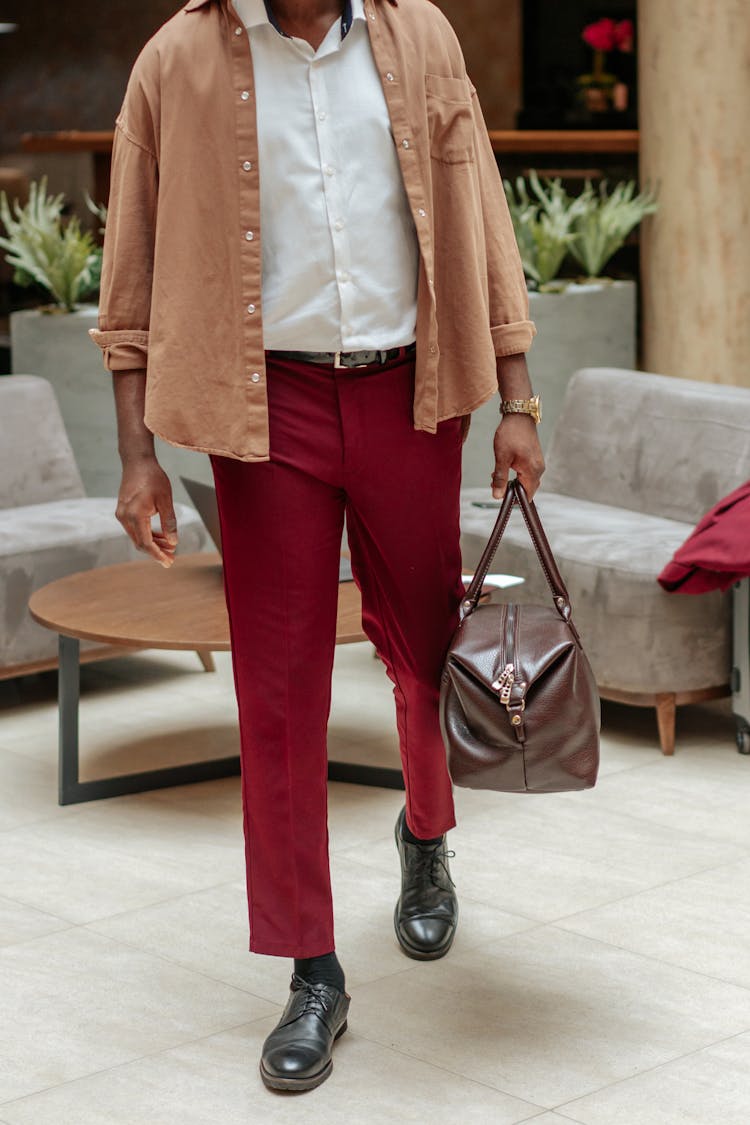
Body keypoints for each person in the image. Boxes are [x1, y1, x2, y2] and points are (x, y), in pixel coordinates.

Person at [91, 0, 545, 1094]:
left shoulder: (422, 36)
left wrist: (518, 397)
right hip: (265, 408)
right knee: (279, 690)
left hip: (413, 390)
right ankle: (311, 971)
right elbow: (133, 265)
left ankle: (425, 835)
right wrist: (138, 455)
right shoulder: (177, 59)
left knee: (427, 647)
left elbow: (480, 210)